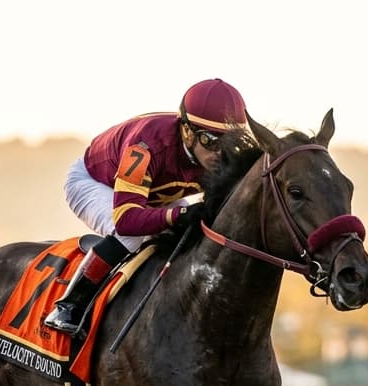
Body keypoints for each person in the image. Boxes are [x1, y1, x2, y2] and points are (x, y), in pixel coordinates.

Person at [43, 78, 248, 335]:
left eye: (228, 142)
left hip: (155, 192)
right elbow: (126, 219)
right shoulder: (145, 146)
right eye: (210, 141)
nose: (219, 153)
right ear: (186, 131)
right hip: (95, 181)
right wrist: (180, 213)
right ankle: (69, 306)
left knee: (190, 235)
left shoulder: (218, 154)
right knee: (131, 237)